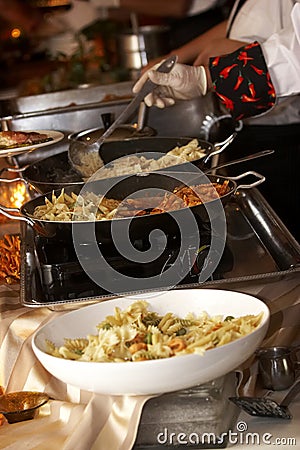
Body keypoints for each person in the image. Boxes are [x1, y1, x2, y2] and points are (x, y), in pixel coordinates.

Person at [133, 0, 300, 242]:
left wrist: (212, 74)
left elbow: (293, 54)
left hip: (281, 129)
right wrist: (191, 65)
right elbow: (244, 23)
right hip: (250, 114)